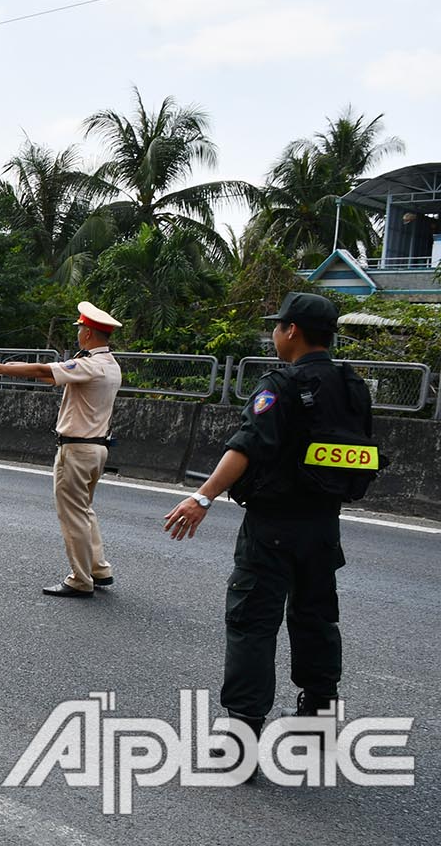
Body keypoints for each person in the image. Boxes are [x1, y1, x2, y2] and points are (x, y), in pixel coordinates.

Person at [163, 292, 375, 743]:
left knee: (251, 623)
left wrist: (201, 498)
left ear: (292, 331)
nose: (275, 335)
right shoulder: (352, 387)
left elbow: (246, 445)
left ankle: (241, 733)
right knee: (315, 618)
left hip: (273, 526)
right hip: (323, 526)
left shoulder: (280, 386)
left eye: (277, 327)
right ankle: (317, 715)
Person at [0, 301, 124, 598]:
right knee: (84, 511)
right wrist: (8, 371)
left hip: (77, 450)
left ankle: (80, 579)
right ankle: (98, 568)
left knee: (72, 515)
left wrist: (2, 367)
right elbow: (48, 375)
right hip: (97, 449)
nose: (78, 332)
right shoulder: (108, 365)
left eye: (81, 328)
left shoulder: (88, 365)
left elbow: (45, 368)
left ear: (90, 334)